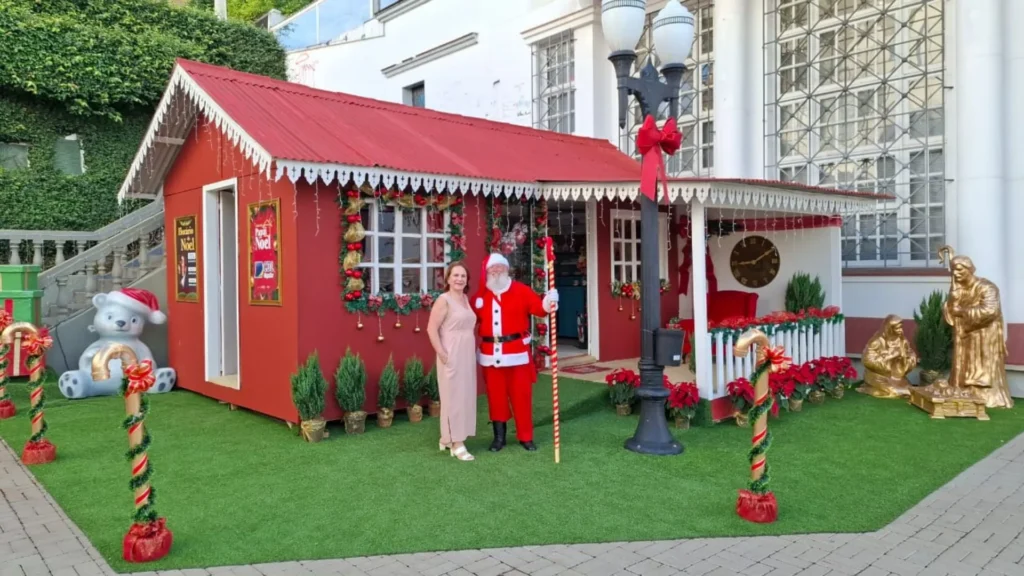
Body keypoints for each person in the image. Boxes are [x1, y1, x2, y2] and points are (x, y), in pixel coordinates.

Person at [472, 253, 558, 452]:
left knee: (522, 397)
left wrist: (548, 301)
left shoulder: (521, 290)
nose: (497, 270)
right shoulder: (479, 297)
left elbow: (539, 309)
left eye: (500, 266)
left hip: (517, 355)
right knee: (496, 399)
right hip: (490, 356)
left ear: (507, 269)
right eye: (493, 268)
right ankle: (499, 438)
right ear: (487, 271)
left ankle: (526, 437)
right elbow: (467, 320)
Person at [943, 254, 1013, 408]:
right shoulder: (959, 290)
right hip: (965, 335)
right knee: (965, 364)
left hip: (984, 334)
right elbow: (951, 311)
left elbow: (990, 311)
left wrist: (962, 311)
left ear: (970, 269)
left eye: (960, 270)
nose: (956, 273)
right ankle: (962, 388)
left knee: (981, 366)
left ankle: (986, 395)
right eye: (953, 270)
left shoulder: (987, 287)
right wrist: (952, 301)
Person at [426, 262, 478, 461]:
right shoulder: (444, 300)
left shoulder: (465, 299)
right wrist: (442, 353)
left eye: (463, 276)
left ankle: (448, 438)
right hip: (451, 354)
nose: (459, 279)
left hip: (467, 355)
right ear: (447, 278)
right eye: (455, 275)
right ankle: (456, 443)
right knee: (453, 397)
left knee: (465, 396)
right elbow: (431, 329)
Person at [859, 314, 917, 398]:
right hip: (879, 376)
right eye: (897, 328)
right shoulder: (877, 342)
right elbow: (867, 360)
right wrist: (891, 356)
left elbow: (910, 353)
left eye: (901, 327)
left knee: (909, 390)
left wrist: (905, 358)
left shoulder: (902, 341)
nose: (900, 330)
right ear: (889, 329)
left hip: (897, 377)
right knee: (892, 391)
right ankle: (871, 388)